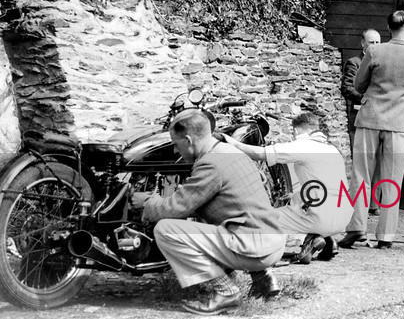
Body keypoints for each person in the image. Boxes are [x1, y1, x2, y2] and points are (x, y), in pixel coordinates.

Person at [130, 110, 287, 316]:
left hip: (255, 248)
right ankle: (264, 280)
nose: (176, 152)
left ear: (188, 140)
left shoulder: (210, 162)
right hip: (271, 241)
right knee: (221, 214)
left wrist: (148, 202)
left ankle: (226, 292)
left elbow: (176, 207)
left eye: (176, 145)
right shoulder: (228, 151)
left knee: (166, 230)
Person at [338, 10, 404, 249]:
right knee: (392, 179)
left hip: (370, 119)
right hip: (399, 124)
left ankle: (356, 229)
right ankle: (386, 236)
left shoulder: (374, 51)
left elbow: (358, 84)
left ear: (388, 27)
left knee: (361, 176)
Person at [226, 112, 353, 263]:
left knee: (259, 221)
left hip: (320, 216)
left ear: (296, 131)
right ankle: (325, 238)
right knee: (299, 210)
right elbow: (326, 185)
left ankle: (306, 238)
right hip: (343, 214)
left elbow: (260, 154)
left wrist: (232, 143)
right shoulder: (331, 149)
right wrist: (295, 195)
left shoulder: (303, 145)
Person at [340, 29, 383, 216]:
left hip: (379, 119)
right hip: (359, 117)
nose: (375, 46)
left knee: (378, 162)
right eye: (371, 42)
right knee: (361, 161)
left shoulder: (382, 62)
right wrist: (367, 98)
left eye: (378, 42)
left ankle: (374, 204)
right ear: (362, 44)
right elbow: (347, 88)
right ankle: (359, 205)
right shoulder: (354, 63)